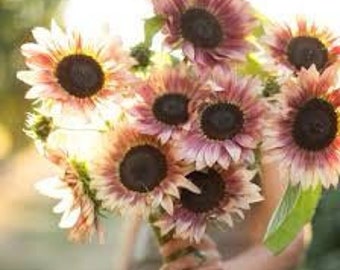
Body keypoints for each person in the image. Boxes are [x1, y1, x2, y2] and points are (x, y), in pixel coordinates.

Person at [126, 162, 304, 270]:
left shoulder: (260, 110)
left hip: (229, 258)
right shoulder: (149, 107)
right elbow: (139, 213)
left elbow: (291, 237)